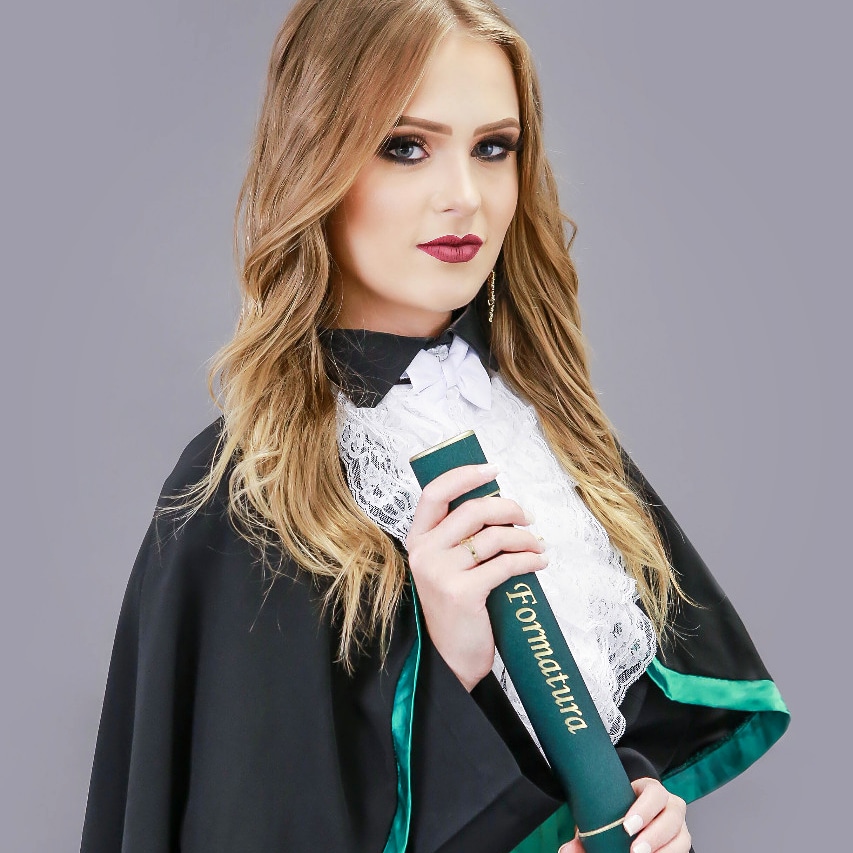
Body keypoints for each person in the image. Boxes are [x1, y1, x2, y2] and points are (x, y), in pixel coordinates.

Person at [80, 2, 789, 852]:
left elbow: (586, 735)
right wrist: (449, 664)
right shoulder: (239, 495)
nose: (464, 197)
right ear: (317, 158)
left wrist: (640, 801)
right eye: (405, 146)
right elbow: (258, 822)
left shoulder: (543, 429)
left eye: (493, 148)